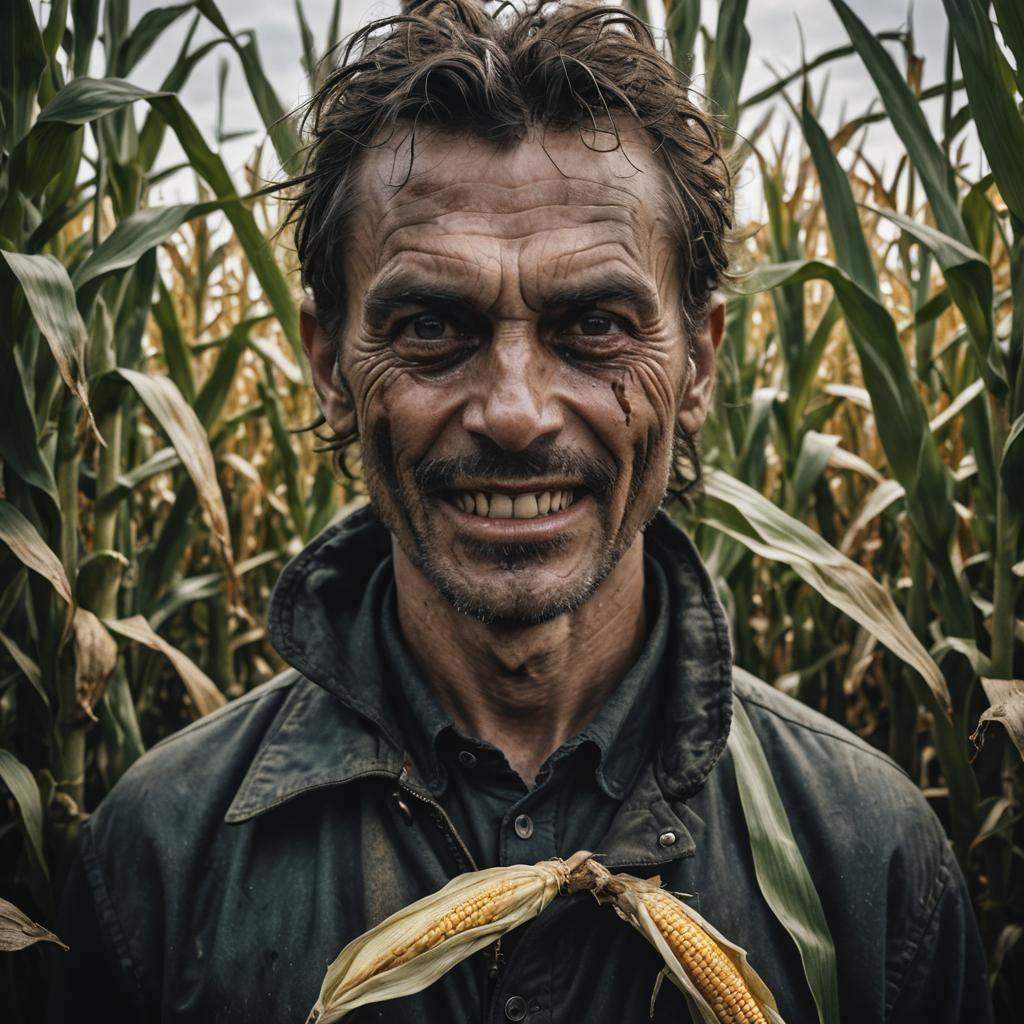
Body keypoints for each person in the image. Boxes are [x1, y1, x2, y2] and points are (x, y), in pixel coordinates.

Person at [52, 2, 990, 1021]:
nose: (514, 412)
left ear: (697, 362)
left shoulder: (876, 865)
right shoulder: (154, 864)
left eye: (594, 324)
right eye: (430, 326)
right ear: (329, 367)